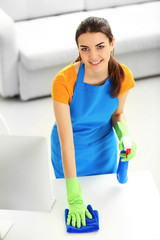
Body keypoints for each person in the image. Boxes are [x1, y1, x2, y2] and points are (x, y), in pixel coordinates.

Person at [50, 16, 137, 229]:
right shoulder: (63, 81)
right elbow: (66, 140)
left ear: (112, 43)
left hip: (103, 148)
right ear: (78, 49)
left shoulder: (123, 75)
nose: (93, 55)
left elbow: (117, 114)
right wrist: (74, 195)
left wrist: (124, 133)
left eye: (100, 46)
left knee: (108, 208)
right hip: (71, 150)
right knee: (67, 204)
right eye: (85, 48)